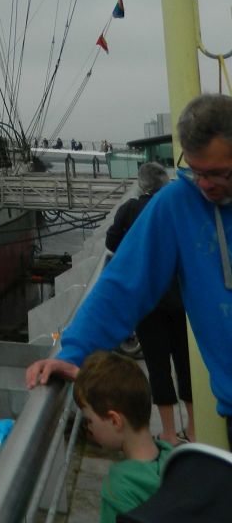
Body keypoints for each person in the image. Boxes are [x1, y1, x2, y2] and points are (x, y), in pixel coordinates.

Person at [27, 93, 232, 451]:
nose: (204, 184)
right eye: (193, 170)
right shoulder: (177, 204)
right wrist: (71, 354)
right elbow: (122, 286)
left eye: (216, 173)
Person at [106, 161, 194, 444]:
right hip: (180, 301)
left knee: (158, 366)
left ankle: (168, 433)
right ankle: (193, 429)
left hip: (148, 303)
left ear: (141, 183)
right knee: (185, 363)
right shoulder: (175, 209)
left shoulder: (130, 210)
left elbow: (111, 242)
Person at [73, 350, 173, 523]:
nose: (88, 428)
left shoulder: (118, 488)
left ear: (114, 420)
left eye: (89, 421)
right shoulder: (174, 460)